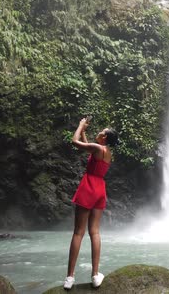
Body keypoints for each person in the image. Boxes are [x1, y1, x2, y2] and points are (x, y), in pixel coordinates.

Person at [63, 117, 118, 290]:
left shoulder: (96, 148)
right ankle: (95, 275)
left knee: (78, 233)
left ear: (105, 138)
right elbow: (90, 153)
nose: (99, 132)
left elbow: (74, 142)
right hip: (100, 188)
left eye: (102, 132)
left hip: (88, 187)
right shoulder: (107, 152)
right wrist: (85, 132)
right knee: (94, 232)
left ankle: (70, 278)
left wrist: (79, 126)